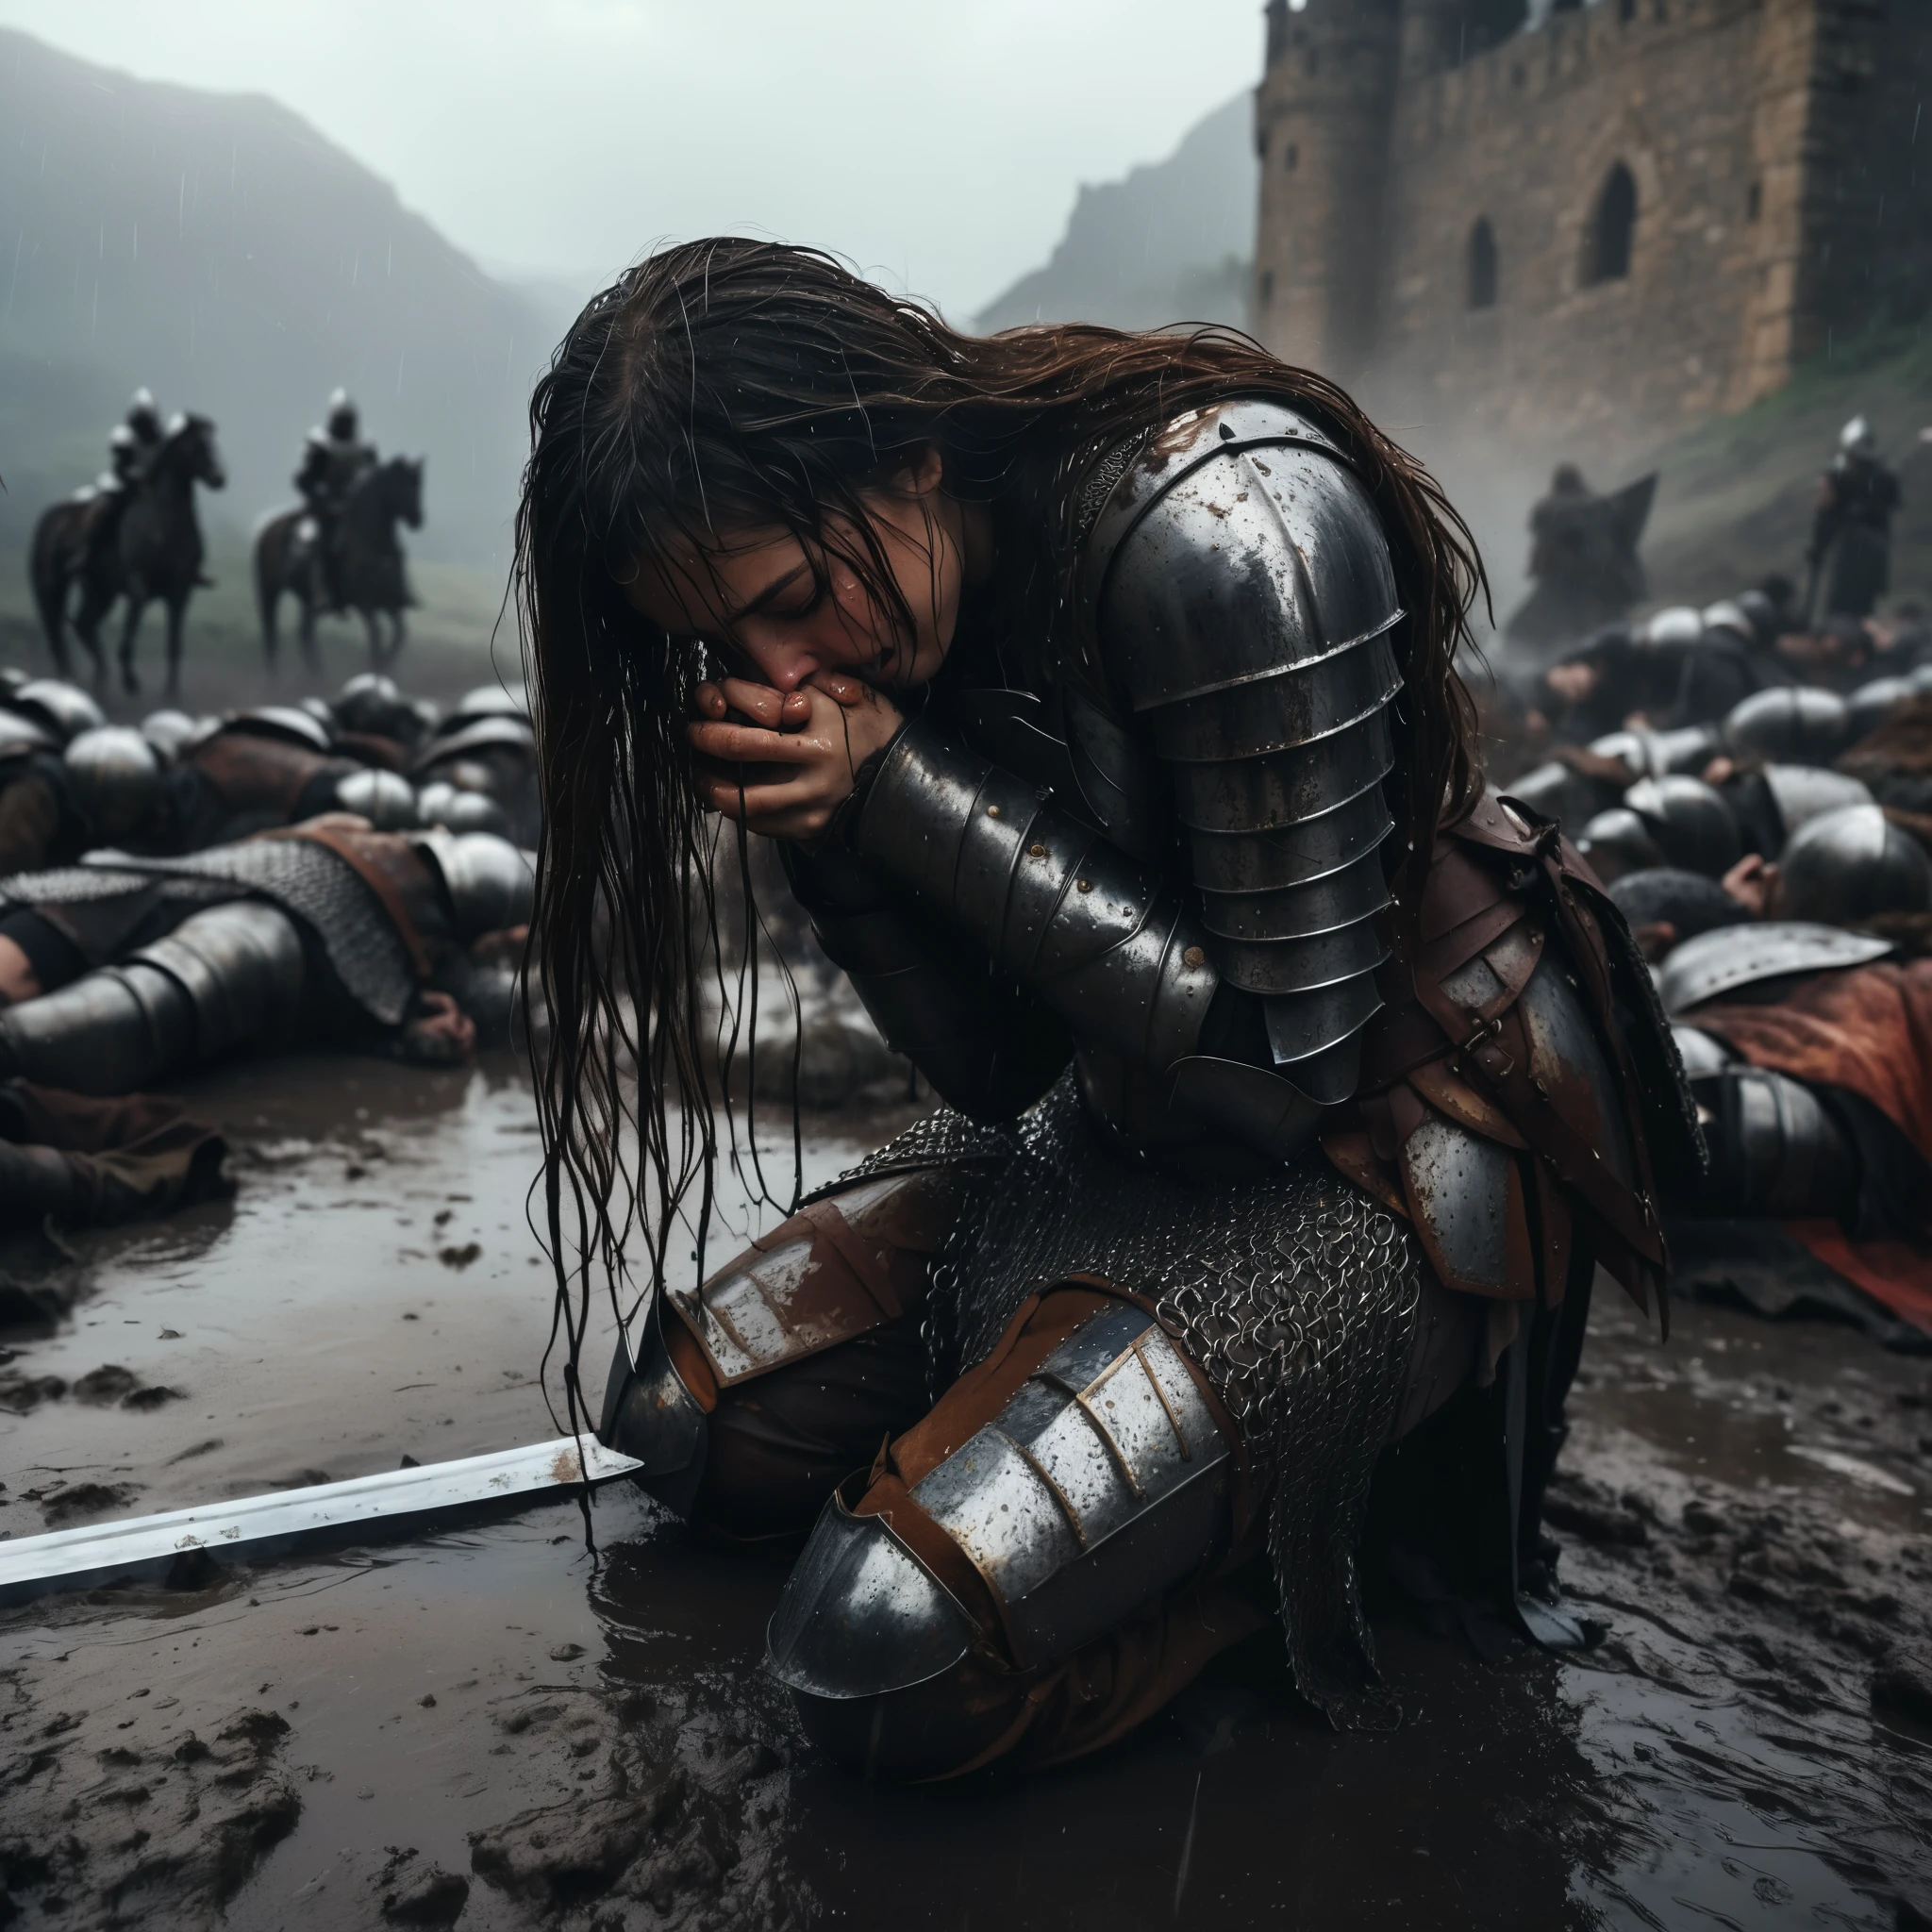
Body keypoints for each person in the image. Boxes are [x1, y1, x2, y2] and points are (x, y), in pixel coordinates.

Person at [517, 240, 1691, 1779]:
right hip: (1126, 1097)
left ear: (908, 449)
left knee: (882, 1656)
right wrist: (838, 833)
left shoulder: (1220, 525)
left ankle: (1251, 1572)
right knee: (684, 1419)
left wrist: (899, 790)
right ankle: (1122, 1478)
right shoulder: (897, 613)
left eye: (794, 598)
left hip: (1396, 1128)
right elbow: (998, 1074)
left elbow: (1288, 1072)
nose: (782, 672)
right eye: (734, 647)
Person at [0, 819, 531, 1092]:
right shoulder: (434, 940)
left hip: (170, 890)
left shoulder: (360, 834)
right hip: (214, 914)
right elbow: (513, 1012)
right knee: (234, 956)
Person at [1808, 417, 1901, 625]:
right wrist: (1819, 547)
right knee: (1843, 604)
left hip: (1863, 547)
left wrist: (1819, 547)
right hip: (1852, 546)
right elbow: (1825, 513)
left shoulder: (1880, 477)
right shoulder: (1836, 475)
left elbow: (1826, 515)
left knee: (1858, 604)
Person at [292, 390, 378, 610]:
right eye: (343, 420)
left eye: (350, 420)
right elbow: (303, 478)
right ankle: (319, 592)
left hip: (353, 508)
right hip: (322, 508)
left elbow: (374, 475)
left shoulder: (365, 445)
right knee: (313, 544)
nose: (347, 425)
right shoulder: (319, 443)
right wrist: (321, 497)